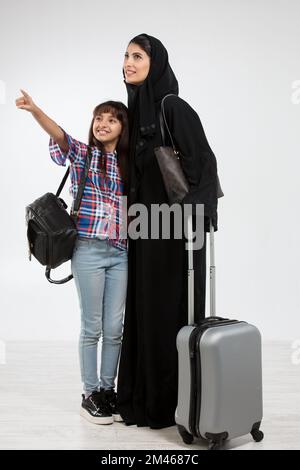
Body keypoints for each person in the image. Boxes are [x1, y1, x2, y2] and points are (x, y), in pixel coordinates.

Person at [117, 34, 220, 429]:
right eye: (125, 56)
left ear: (155, 63)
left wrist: (198, 219)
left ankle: (176, 405)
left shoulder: (171, 106)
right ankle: (144, 401)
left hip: (176, 234)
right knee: (144, 310)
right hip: (144, 232)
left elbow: (204, 163)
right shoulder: (134, 111)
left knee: (169, 312)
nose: (128, 62)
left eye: (137, 56)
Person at [16, 90, 129, 425]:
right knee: (92, 326)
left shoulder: (129, 165)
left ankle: (108, 391)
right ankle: (89, 393)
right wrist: (36, 109)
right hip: (89, 251)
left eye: (112, 119)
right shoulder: (84, 155)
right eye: (99, 118)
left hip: (121, 253)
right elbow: (59, 134)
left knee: (115, 328)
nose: (103, 124)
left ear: (124, 127)